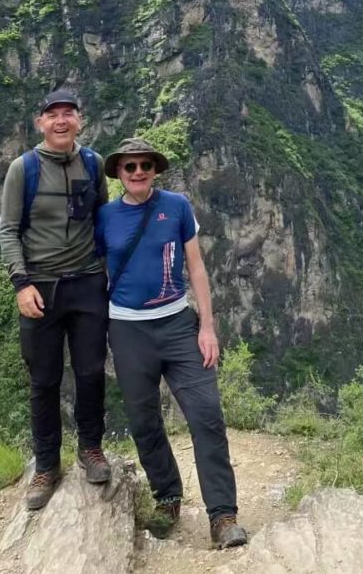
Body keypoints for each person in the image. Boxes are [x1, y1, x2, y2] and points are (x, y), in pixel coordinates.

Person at [96, 137, 247, 548]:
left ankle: (223, 515)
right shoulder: (105, 217)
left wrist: (207, 326)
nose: (139, 171)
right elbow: (94, 274)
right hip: (128, 330)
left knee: (206, 414)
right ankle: (168, 498)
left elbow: (196, 267)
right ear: (119, 174)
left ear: (155, 169)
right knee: (144, 420)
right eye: (131, 166)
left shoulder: (176, 206)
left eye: (146, 164)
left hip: (179, 324)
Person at [0, 89, 111, 510]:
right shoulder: (22, 169)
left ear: (80, 121)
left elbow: (103, 219)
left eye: (69, 114)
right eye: (53, 115)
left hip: (87, 283)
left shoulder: (94, 163)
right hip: (40, 287)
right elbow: (8, 229)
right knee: (43, 380)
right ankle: (46, 466)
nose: (61, 121)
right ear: (40, 123)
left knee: (91, 371)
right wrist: (20, 284)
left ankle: (91, 448)